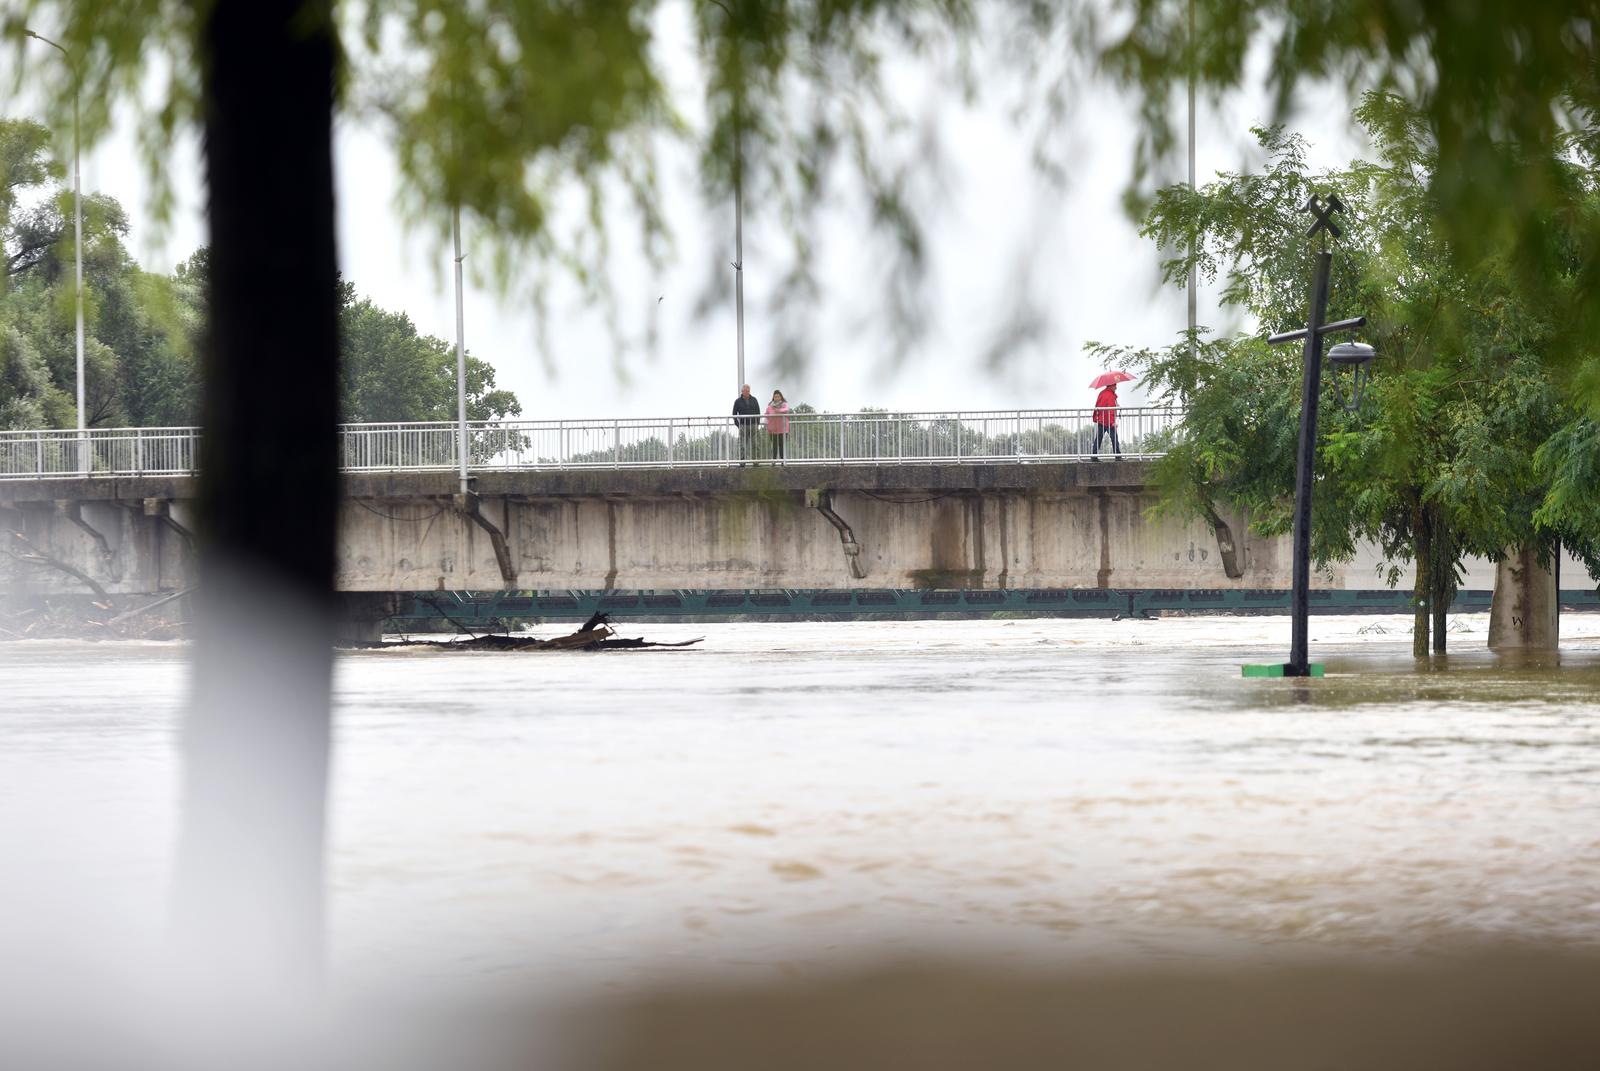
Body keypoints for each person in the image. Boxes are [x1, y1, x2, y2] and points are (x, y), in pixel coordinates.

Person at [732, 384, 760, 463]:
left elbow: (758, 413)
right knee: (742, 445)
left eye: (748, 391)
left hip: (753, 425)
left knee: (755, 444)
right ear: (742, 391)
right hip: (743, 426)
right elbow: (734, 414)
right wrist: (738, 425)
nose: (747, 392)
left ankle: (756, 462)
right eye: (745, 391)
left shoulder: (754, 400)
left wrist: (757, 423)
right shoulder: (737, 401)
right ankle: (742, 462)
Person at [1093, 381, 1121, 455]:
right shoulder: (1110, 395)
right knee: (1114, 438)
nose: (1116, 387)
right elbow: (1111, 410)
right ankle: (1118, 456)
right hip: (1108, 421)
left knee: (1098, 439)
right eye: (1115, 385)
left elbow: (1098, 405)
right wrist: (1113, 422)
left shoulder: (1102, 393)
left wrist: (1116, 404)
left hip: (1101, 420)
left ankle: (1094, 456)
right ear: (1111, 385)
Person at [766, 389, 790, 461]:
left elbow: (786, 410)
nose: (776, 398)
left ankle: (783, 461)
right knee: (774, 446)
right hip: (773, 429)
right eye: (775, 396)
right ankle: (774, 461)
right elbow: (766, 415)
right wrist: (767, 424)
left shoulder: (784, 404)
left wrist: (777, 410)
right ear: (773, 397)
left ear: (781, 397)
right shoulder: (770, 406)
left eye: (778, 396)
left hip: (783, 429)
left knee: (782, 446)